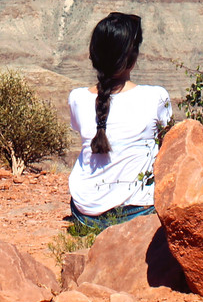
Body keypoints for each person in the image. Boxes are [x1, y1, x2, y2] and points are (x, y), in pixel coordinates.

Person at [67, 12, 172, 231]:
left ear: (93, 55)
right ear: (132, 58)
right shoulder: (156, 97)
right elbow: (168, 143)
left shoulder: (77, 98)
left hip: (86, 213)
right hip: (137, 211)